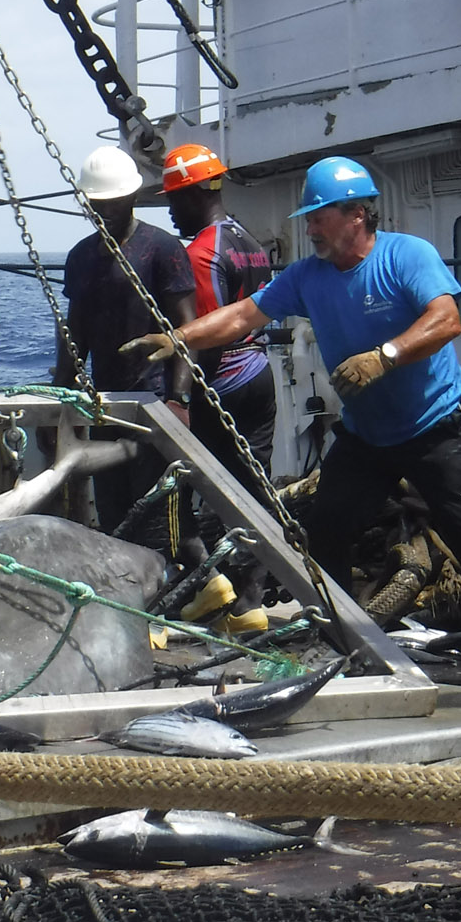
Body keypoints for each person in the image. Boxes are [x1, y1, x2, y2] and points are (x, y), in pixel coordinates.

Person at [122, 156, 461, 691]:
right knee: (325, 529)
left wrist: (384, 356)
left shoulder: (406, 255)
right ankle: (340, 639)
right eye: (308, 218)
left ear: (356, 214)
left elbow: (446, 319)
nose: (309, 229)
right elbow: (242, 316)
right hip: (366, 436)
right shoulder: (307, 277)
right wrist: (177, 338)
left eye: (318, 217)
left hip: (432, 424)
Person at [159, 143, 275, 632]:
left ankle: (202, 585)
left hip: (221, 385)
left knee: (172, 486)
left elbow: (202, 337)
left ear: (192, 195)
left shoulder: (201, 252)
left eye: (172, 200)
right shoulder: (250, 241)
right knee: (254, 490)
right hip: (260, 374)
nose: (169, 212)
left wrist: (179, 399)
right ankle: (251, 603)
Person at [54, 145, 196, 538]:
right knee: (114, 514)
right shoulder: (81, 257)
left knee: (160, 515)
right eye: (96, 204)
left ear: (132, 196)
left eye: (113, 202)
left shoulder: (163, 249)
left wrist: (179, 399)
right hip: (105, 406)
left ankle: (174, 574)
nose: (105, 211)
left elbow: (187, 328)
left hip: (154, 403)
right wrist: (58, 400)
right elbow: (74, 333)